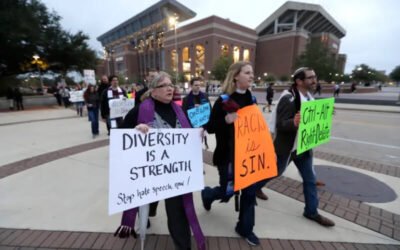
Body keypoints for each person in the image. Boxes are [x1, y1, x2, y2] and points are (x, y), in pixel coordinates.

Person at [116, 72, 205, 250]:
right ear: (154, 91)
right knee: (150, 198)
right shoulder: (141, 109)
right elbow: (121, 137)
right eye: (164, 85)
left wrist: (198, 134)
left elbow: (187, 137)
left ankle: (183, 247)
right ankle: (149, 211)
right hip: (151, 174)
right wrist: (136, 131)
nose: (170, 88)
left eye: (171, 84)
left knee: (178, 212)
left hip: (174, 173)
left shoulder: (179, 110)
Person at [201, 61, 267, 246]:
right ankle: (208, 195)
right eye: (247, 72)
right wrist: (226, 119)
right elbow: (211, 127)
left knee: (249, 192)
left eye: (252, 72)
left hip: (249, 156)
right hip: (227, 156)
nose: (252, 76)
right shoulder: (223, 101)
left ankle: (245, 228)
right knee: (227, 191)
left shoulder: (252, 100)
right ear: (236, 76)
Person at [270, 67, 335, 227]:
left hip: (304, 147)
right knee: (274, 172)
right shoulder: (289, 99)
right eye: (310, 78)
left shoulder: (310, 98)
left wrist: (325, 114)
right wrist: (293, 122)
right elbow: (280, 124)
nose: (315, 80)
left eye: (315, 76)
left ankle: (311, 212)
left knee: (310, 179)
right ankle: (253, 188)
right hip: (288, 148)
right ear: (299, 81)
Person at [182, 77, 211, 149]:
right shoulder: (186, 99)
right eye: (196, 85)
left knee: (201, 146)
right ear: (191, 86)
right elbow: (184, 113)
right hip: (192, 126)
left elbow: (210, 109)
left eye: (199, 85)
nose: (198, 87)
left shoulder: (205, 96)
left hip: (203, 125)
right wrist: (193, 109)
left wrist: (202, 108)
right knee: (193, 147)